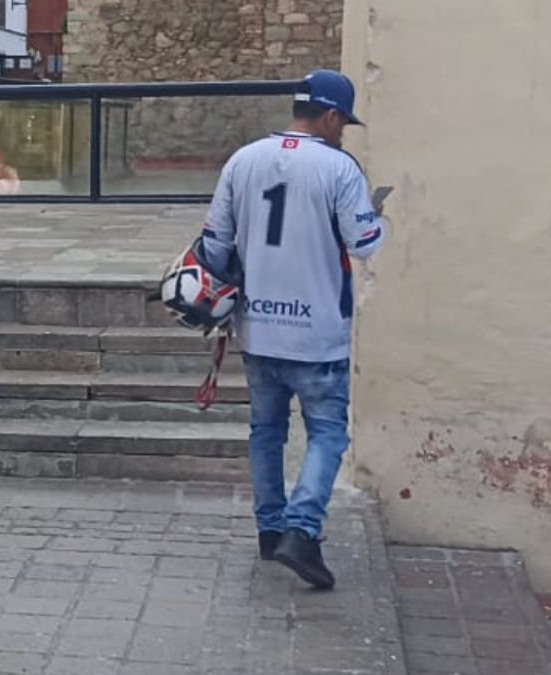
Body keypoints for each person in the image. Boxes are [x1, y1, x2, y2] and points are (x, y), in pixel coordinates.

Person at [200, 69, 386, 589]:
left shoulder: (243, 159)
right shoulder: (339, 167)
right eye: (342, 123)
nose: (342, 131)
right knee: (327, 432)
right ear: (330, 116)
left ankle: (270, 530)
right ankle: (301, 532)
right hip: (317, 330)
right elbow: (365, 243)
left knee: (266, 431)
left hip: (257, 326)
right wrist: (377, 215)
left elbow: (214, 243)